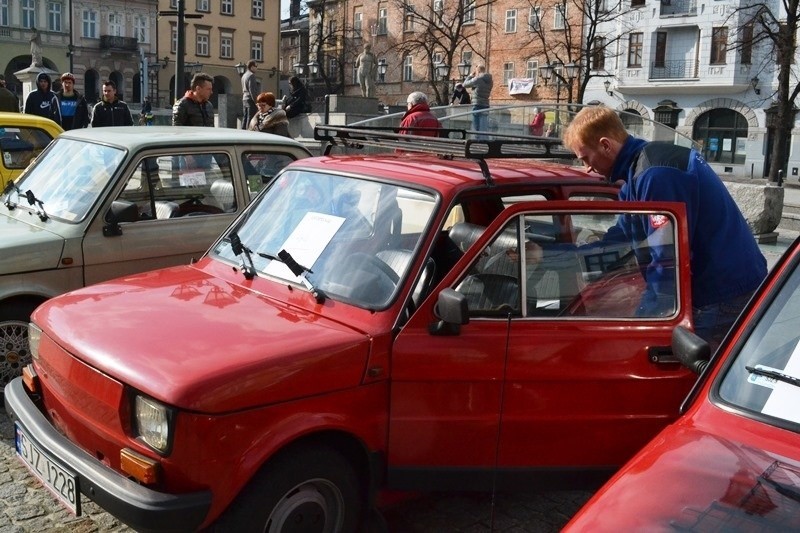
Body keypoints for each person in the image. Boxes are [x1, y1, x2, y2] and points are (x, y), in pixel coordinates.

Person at [562, 106, 767, 350]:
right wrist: (564, 256)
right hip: (722, 286)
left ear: (605, 145)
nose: (587, 168)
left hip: (722, 294)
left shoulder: (656, 175)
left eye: (585, 158)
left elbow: (668, 259)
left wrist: (650, 318)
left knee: (694, 375)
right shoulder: (638, 173)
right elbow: (620, 238)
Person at [462, 65, 493, 135]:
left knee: (476, 125)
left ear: (478, 71)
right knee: (484, 124)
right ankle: (484, 139)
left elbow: (464, 85)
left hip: (477, 103)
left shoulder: (477, 79)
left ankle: (477, 138)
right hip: (486, 104)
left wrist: (470, 76)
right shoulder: (490, 81)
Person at [241, 60, 259, 129]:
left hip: (244, 98)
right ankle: (248, 133)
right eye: (256, 66)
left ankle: (242, 132)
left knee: (245, 117)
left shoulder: (244, 75)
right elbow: (252, 91)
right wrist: (256, 102)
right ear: (251, 67)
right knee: (250, 118)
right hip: (250, 99)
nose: (257, 68)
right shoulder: (251, 75)